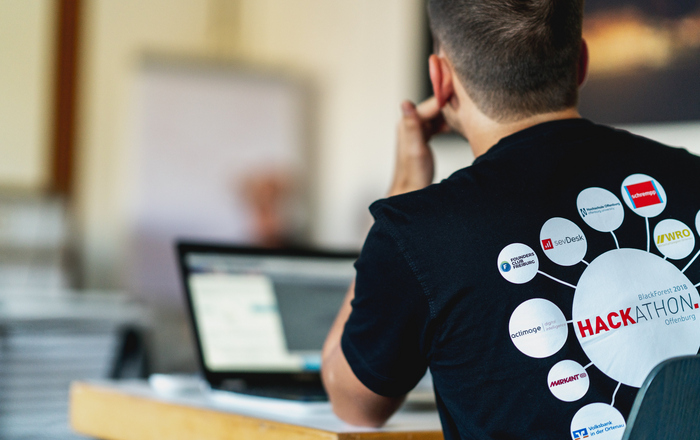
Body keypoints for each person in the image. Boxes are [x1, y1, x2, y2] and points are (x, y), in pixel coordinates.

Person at [321, 1, 700, 439]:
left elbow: (354, 405)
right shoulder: (692, 176)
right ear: (581, 62)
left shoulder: (418, 231)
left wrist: (405, 183)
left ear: (440, 80)